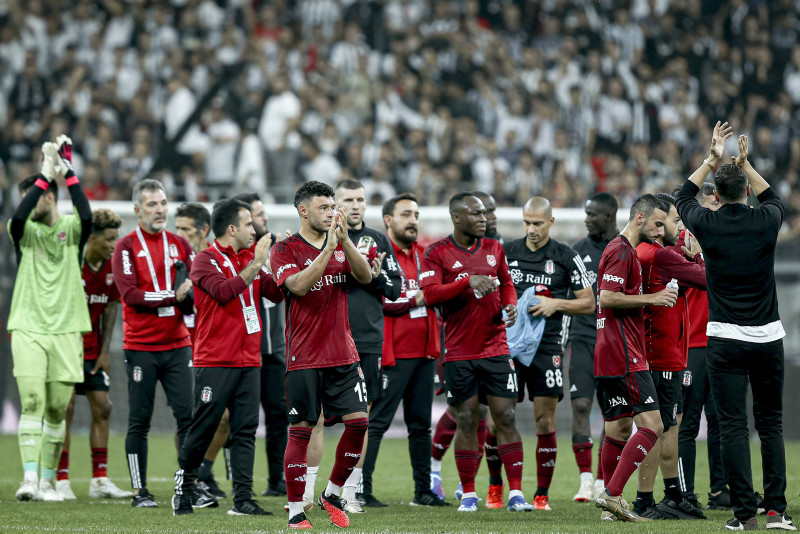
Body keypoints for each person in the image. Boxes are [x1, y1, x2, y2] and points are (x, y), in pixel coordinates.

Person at [675, 122, 794, 531]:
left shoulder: (705, 225)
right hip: (768, 336)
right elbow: (775, 197)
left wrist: (711, 158)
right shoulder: (766, 221)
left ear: (717, 196)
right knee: (771, 424)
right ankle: (776, 511)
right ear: (745, 192)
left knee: (732, 427)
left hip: (724, 337)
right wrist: (746, 163)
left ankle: (744, 514)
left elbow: (682, 196)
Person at [420, 192, 533, 514]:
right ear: (457, 217)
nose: (484, 219)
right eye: (476, 214)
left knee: (507, 417)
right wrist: (467, 282)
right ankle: (468, 493)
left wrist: (510, 304)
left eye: (485, 214)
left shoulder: (494, 248)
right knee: (467, 419)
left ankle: (516, 494)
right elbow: (430, 295)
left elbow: (506, 283)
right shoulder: (437, 252)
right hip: (458, 352)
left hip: (496, 348)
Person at [270, 181, 372, 529]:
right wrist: (328, 250)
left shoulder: (342, 242)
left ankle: (332, 492)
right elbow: (296, 286)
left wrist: (343, 243)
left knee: (359, 423)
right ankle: (296, 510)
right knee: (301, 429)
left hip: (344, 354)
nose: (332, 213)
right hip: (304, 357)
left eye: (333, 207)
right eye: (324, 208)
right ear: (303, 210)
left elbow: (366, 276)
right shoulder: (284, 248)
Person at [172, 198, 284, 516]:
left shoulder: (252, 257)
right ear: (232, 228)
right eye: (249, 224)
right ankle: (185, 486)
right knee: (204, 426)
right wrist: (256, 263)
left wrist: (277, 263)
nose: (254, 229)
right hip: (215, 358)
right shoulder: (204, 260)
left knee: (245, 430)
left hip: (250, 358)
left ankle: (243, 499)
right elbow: (223, 292)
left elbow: (276, 293)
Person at [8, 138, 92, 502]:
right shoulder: (24, 235)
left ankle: (46, 481)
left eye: (39, 193)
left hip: (67, 328)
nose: (27, 207)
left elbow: (86, 214)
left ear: (50, 197)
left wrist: (65, 171)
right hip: (27, 325)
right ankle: (28, 479)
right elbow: (16, 216)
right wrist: (46, 169)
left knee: (58, 408)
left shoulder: (72, 232)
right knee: (31, 401)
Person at [112, 179, 201, 508]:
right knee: (139, 420)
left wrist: (186, 299)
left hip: (178, 344)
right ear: (137, 210)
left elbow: (190, 295)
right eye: (152, 204)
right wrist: (171, 297)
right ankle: (140, 492)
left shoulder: (180, 244)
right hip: (141, 347)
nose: (161, 209)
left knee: (189, 417)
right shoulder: (124, 247)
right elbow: (130, 296)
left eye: (163, 203)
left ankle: (187, 487)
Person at [503, 197, 595, 511]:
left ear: (550, 222)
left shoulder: (566, 256)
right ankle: (495, 488)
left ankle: (541, 495)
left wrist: (557, 304)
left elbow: (589, 302)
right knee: (500, 417)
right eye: (526, 222)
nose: (531, 229)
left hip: (548, 346)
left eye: (537, 223)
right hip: (509, 347)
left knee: (545, 421)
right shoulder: (507, 252)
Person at [359, 193, 448, 508]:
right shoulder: (376, 254)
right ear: (388, 220)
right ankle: (361, 489)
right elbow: (380, 299)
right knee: (377, 422)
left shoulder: (426, 255)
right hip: (393, 354)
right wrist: (419, 298)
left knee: (421, 425)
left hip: (425, 353)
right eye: (405, 214)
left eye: (416, 214)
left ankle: (423, 491)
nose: (413, 220)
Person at [593, 194, 677, 522]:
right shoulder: (621, 250)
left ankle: (610, 504)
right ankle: (612, 495)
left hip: (610, 352)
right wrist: (654, 297)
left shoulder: (621, 250)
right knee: (653, 424)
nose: (660, 230)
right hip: (625, 354)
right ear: (640, 218)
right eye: (657, 223)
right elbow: (608, 297)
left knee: (618, 428)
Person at [631, 193, 708, 520]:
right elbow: (707, 280)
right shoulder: (660, 255)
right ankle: (644, 501)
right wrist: (699, 257)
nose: (681, 226)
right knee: (656, 429)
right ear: (657, 225)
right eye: (676, 220)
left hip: (667, 352)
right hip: (660, 353)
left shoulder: (658, 254)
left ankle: (673, 494)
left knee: (667, 427)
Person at [333, 179, 402, 511]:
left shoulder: (377, 240)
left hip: (366, 340)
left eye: (360, 199)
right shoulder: (324, 239)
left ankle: (350, 492)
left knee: (361, 417)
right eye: (348, 199)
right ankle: (304, 492)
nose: (356, 205)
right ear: (335, 204)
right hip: (327, 338)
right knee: (314, 417)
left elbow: (395, 289)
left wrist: (374, 276)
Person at [58, 208, 132, 500]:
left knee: (103, 407)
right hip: (66, 348)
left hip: (93, 352)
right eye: (110, 238)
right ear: (92, 239)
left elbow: (112, 308)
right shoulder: (72, 264)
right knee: (64, 410)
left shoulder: (113, 267)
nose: (115, 244)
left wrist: (103, 353)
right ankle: (60, 479)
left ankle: (99, 480)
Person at [677, 183, 732, 512]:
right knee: (688, 421)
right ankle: (684, 493)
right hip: (693, 344)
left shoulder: (720, 244)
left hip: (719, 340)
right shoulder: (683, 244)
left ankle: (719, 490)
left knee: (720, 420)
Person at [232, 192, 289, 499]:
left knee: (279, 415)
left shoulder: (277, 250)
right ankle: (217, 477)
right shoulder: (236, 256)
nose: (265, 219)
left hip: (275, 351)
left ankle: (277, 479)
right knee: (239, 419)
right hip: (244, 351)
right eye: (258, 214)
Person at [175, 202, 230, 500]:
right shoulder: (175, 257)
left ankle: (204, 472)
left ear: (204, 230)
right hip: (183, 345)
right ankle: (188, 480)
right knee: (189, 417)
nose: (179, 234)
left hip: (213, 345)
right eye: (178, 227)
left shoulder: (215, 258)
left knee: (225, 419)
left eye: (185, 229)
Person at [567, 192, 618, 502]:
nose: (586, 219)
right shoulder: (577, 251)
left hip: (614, 341)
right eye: (585, 213)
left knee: (612, 414)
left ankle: (602, 479)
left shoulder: (624, 248)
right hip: (584, 339)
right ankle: (585, 480)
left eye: (592, 214)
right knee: (581, 406)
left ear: (608, 216)